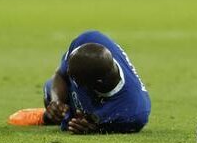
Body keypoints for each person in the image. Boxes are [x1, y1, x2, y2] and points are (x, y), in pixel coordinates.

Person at [8, 30, 151, 134]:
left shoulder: (133, 111)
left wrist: (95, 129)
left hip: (104, 109)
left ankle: (54, 118)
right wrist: (56, 103)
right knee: (49, 89)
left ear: (96, 83)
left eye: (76, 79)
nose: (70, 78)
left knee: (80, 121)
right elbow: (59, 74)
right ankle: (51, 116)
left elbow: (106, 127)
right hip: (84, 97)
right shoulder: (88, 40)